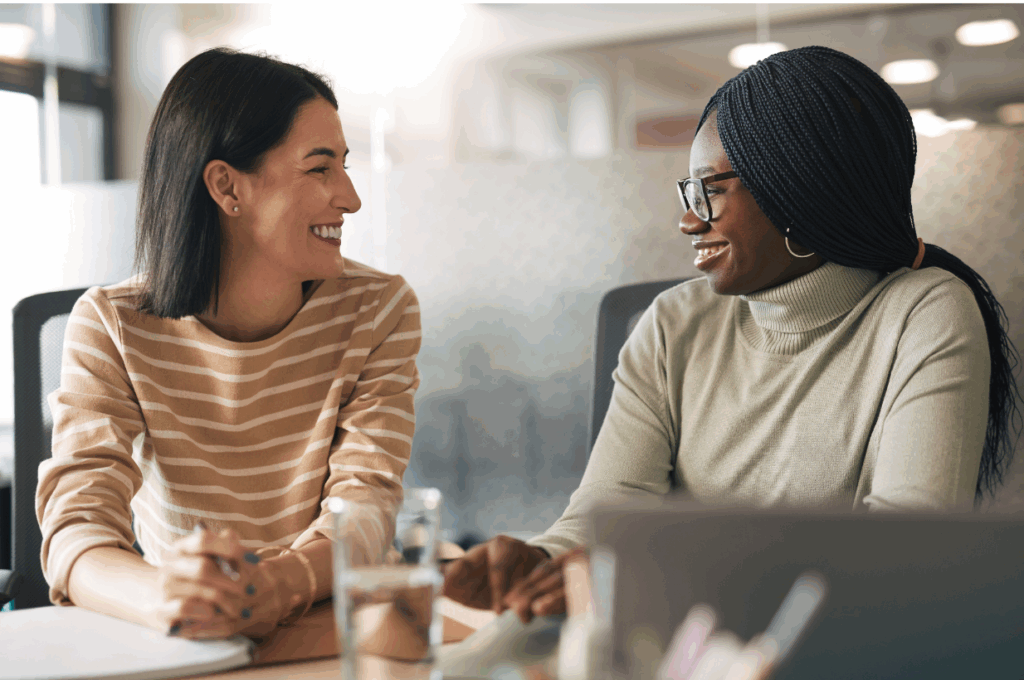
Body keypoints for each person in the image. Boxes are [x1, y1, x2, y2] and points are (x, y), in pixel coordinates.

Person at [442, 45, 1022, 624]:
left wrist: (649, 576)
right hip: (665, 646)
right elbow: (606, 513)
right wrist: (543, 561)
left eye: (711, 190)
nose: (688, 220)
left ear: (797, 188)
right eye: (689, 192)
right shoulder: (671, 324)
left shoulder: (925, 314)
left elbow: (905, 556)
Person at [35, 48, 421, 639]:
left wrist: (280, 584)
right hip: (191, 634)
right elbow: (75, 531)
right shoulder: (110, 325)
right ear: (227, 187)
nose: (350, 197)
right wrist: (164, 595)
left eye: (343, 166)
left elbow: (367, 505)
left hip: (342, 628)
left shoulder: (378, 308)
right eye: (320, 169)